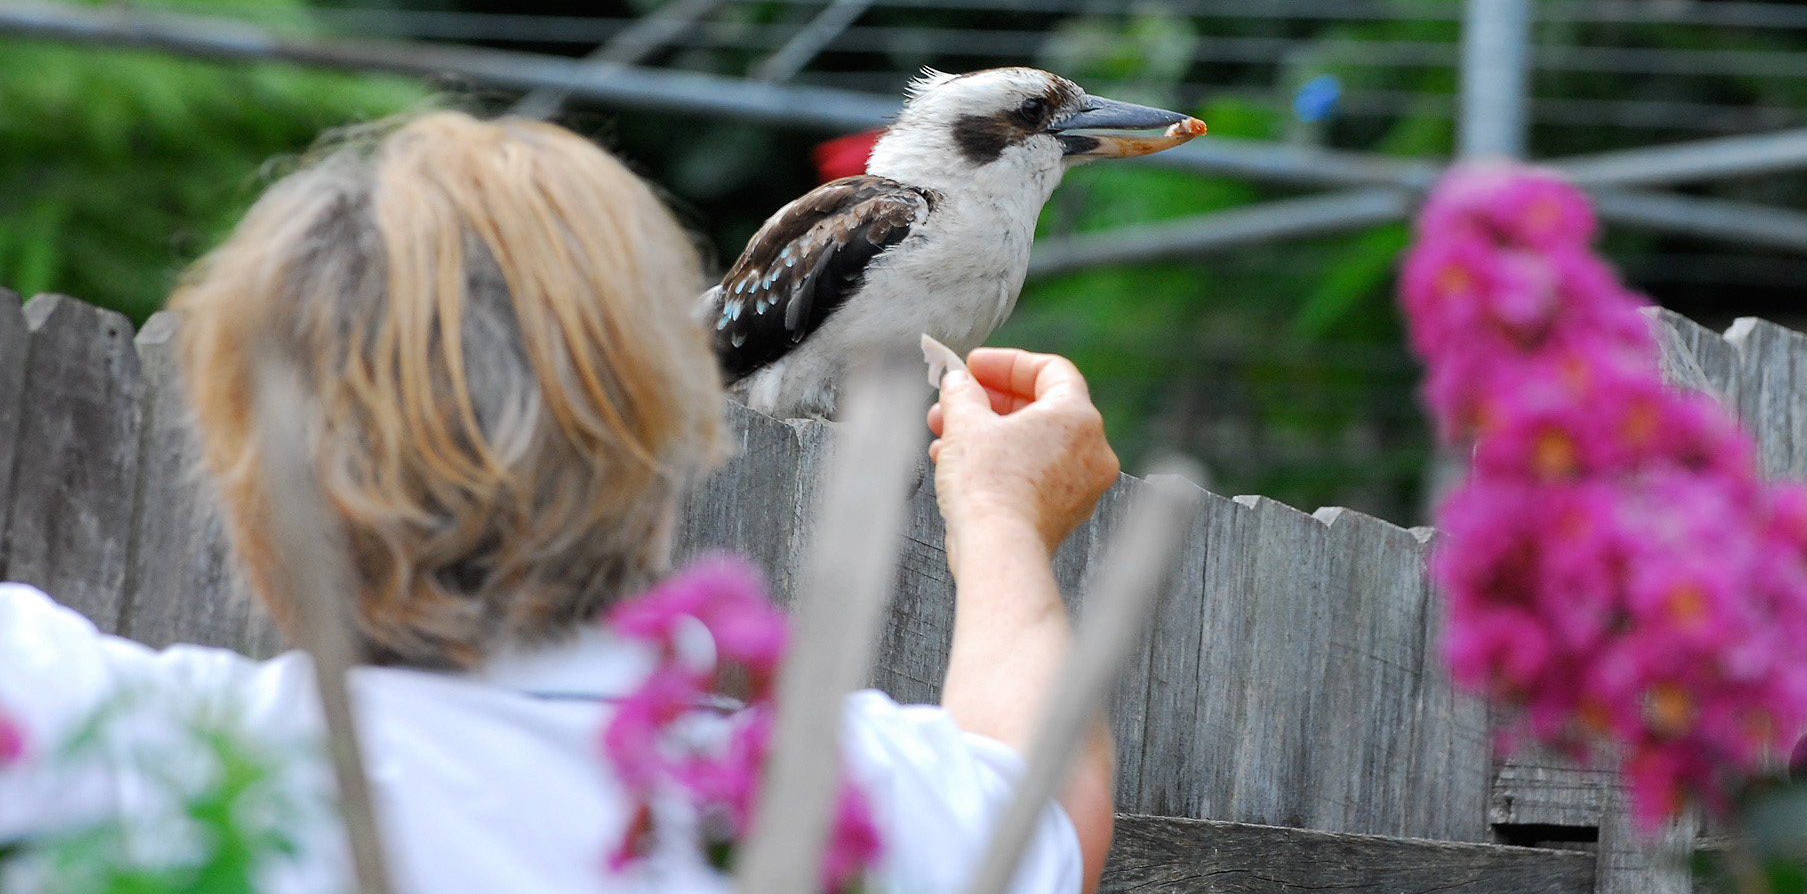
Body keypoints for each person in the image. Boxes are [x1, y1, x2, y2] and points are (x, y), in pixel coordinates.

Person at [0, 112, 1122, 894]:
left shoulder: (134, 762)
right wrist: (1004, 521)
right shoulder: (811, 810)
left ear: (248, 487)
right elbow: (1044, 800)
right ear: (666, 444)